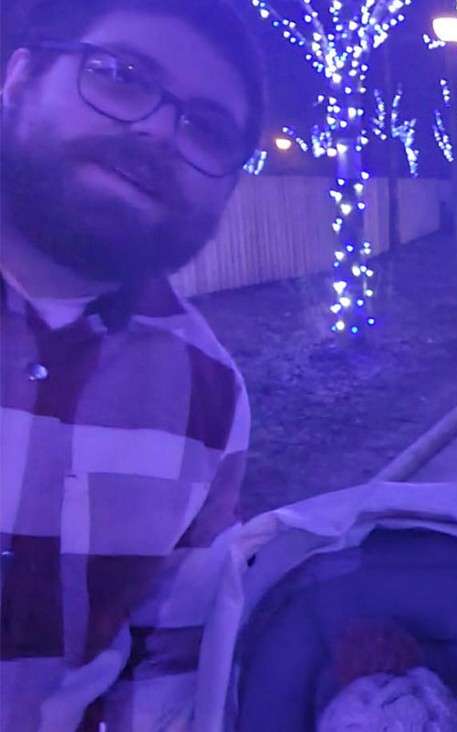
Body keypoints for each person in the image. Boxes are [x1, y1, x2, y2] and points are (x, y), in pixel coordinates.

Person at [0, 0, 264, 728]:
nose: (155, 130)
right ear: (20, 77)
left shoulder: (204, 394)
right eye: (120, 77)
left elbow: (166, 670)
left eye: (205, 128)